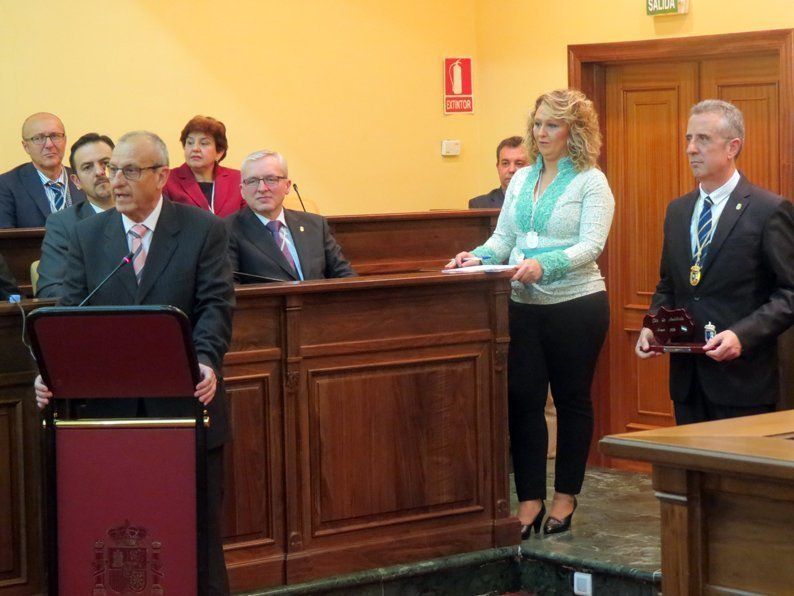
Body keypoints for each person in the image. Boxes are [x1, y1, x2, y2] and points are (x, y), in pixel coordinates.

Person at [33, 131, 234, 595]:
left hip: (184, 407)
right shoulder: (87, 234)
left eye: (128, 170)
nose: (114, 180)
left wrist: (205, 360)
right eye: (110, 170)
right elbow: (68, 311)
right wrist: (53, 370)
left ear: (161, 176)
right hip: (106, 416)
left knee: (194, 535)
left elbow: (216, 305)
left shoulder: (204, 229)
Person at [447, 89, 614, 537]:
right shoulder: (521, 180)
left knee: (572, 399)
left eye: (552, 125)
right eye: (538, 123)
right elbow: (503, 239)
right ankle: (530, 500)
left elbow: (591, 245)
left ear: (574, 131)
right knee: (523, 401)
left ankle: (565, 496)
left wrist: (546, 264)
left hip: (577, 305)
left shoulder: (591, 181)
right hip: (524, 306)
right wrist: (477, 256)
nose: (541, 133)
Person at [635, 100, 794, 425]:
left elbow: (789, 292)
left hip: (743, 381)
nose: (691, 149)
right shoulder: (677, 211)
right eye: (688, 138)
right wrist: (653, 325)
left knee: (738, 475)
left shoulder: (767, 209)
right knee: (691, 475)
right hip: (688, 381)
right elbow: (669, 285)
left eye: (703, 139)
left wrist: (742, 335)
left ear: (732, 146)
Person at [227, 150, 355, 281]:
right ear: (242, 190)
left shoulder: (315, 225)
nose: (262, 188)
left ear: (287, 186)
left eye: (271, 179)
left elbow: (345, 277)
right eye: (253, 181)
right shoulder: (228, 230)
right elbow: (231, 289)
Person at [36, 133, 115, 298]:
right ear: (76, 181)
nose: (100, 172)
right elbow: (50, 289)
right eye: (87, 167)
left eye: (106, 164)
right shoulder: (63, 224)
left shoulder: (143, 213)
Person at [0, 112, 86, 228]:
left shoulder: (84, 179)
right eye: (38, 138)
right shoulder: (7, 185)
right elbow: (6, 241)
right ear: (26, 147)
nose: (49, 144)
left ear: (65, 140)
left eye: (55, 136)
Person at [163, 115, 245, 218]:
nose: (195, 148)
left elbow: (248, 222)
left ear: (219, 152)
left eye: (204, 143)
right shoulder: (168, 180)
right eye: (190, 143)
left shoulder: (238, 180)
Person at [468, 136, 528, 209]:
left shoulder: (541, 204)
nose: (511, 170)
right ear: (498, 167)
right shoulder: (479, 205)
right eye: (505, 163)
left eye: (519, 164)